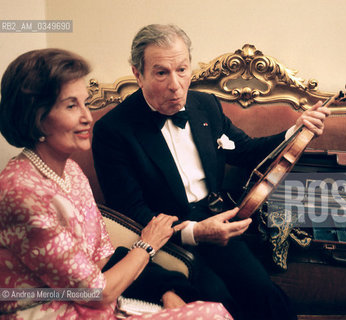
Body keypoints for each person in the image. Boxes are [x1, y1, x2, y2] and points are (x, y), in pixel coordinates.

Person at [92, 24, 330, 320]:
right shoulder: (112, 130)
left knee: (266, 297)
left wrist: (297, 130)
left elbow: (245, 150)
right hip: (166, 239)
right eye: (161, 72)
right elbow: (130, 212)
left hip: (219, 222)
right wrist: (195, 233)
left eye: (182, 69)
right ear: (137, 73)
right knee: (219, 300)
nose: (176, 85)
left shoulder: (205, 104)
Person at [0, 48, 232, 319]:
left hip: (101, 301)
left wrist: (162, 289)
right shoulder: (21, 193)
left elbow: (102, 256)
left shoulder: (72, 172)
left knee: (213, 306)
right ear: (35, 117)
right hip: (50, 312)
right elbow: (96, 291)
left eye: (85, 103)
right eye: (71, 105)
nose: (87, 117)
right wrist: (147, 245)